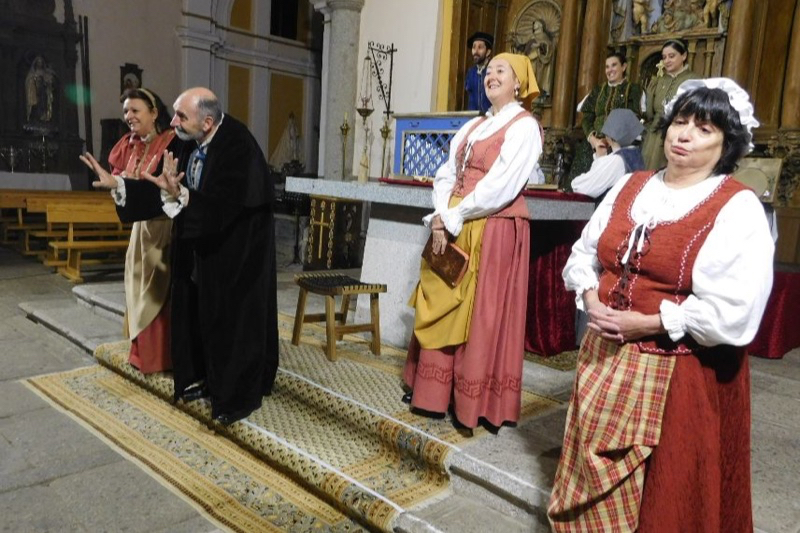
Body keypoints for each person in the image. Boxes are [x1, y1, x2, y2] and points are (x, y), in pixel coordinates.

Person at [548, 78, 773, 532]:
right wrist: (591, 299)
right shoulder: (631, 186)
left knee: (667, 497)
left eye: (704, 129)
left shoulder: (736, 206)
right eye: (681, 122)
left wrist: (647, 322)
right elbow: (584, 254)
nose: (684, 134)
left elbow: (735, 310)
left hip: (680, 370)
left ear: (729, 144)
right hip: (603, 355)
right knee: (591, 479)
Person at [82, 87, 279, 426]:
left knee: (231, 325)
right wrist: (118, 183)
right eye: (173, 113)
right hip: (201, 246)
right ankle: (204, 377)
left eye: (180, 116)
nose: (173, 122)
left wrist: (183, 195)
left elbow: (226, 207)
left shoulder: (238, 146)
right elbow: (164, 187)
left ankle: (235, 396)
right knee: (198, 314)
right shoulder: (187, 140)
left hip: (236, 256)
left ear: (206, 121)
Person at [403, 53, 542, 430]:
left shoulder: (524, 126)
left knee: (480, 311)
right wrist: (441, 211)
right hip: (455, 220)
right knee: (444, 294)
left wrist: (456, 214)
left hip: (492, 224)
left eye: (502, 71)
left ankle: (473, 398)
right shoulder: (474, 126)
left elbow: (503, 184)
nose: (491, 76)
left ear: (518, 83)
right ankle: (434, 392)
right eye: (489, 71)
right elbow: (447, 171)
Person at [88, 88, 177, 374]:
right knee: (136, 286)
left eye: (135, 110)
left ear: (154, 112)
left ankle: (160, 356)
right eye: (126, 111)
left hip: (164, 225)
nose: (129, 116)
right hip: (140, 229)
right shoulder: (126, 145)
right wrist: (118, 185)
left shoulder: (170, 142)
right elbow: (120, 186)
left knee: (156, 288)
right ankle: (141, 354)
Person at [569, 52, 643, 181]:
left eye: (614, 65)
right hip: (593, 145)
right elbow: (587, 118)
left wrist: (613, 142)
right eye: (607, 67)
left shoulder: (634, 90)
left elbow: (634, 117)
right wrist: (593, 139)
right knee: (580, 184)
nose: (610, 70)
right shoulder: (598, 90)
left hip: (619, 147)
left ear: (624, 67)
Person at [641, 39, 700, 169]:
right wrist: (650, 95)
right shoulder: (659, 81)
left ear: (683, 56)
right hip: (654, 136)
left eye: (671, 56)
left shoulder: (694, 80)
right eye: (664, 57)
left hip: (678, 134)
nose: (667, 60)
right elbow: (650, 115)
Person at [571, 108, 645, 199]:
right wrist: (601, 158)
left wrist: (574, 182)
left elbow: (584, 188)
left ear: (609, 135)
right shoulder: (635, 154)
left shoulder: (617, 160)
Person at [464, 32, 493, 114]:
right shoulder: (471, 72)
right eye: (474, 47)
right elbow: (471, 99)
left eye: (480, 47)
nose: (475, 51)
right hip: (475, 119)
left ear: (488, 52)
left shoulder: (493, 71)